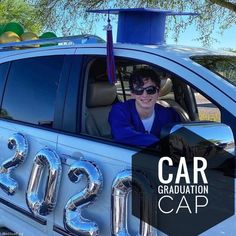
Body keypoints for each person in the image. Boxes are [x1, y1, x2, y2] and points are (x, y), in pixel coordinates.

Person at [108, 67, 180, 147]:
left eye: (150, 89)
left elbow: (181, 137)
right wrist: (160, 145)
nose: (145, 95)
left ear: (158, 92)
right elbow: (123, 135)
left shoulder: (168, 114)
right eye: (138, 90)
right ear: (132, 94)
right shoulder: (119, 111)